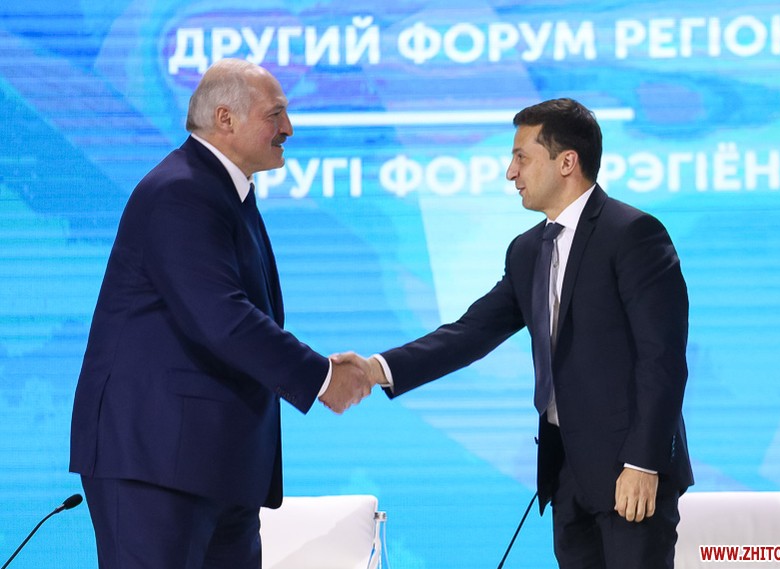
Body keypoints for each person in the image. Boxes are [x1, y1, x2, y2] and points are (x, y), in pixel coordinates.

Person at [343, 98, 693, 568]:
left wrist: (643, 463)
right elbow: (471, 332)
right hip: (566, 474)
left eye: (521, 157)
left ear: (566, 162)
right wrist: (376, 369)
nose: (511, 173)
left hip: (630, 472)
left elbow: (662, 358)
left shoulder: (632, 234)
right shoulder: (527, 250)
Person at [69, 58, 373, 569]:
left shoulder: (223, 192)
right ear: (225, 118)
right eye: (275, 114)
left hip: (215, 464)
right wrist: (322, 378)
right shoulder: (180, 190)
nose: (289, 128)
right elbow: (223, 319)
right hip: (157, 462)